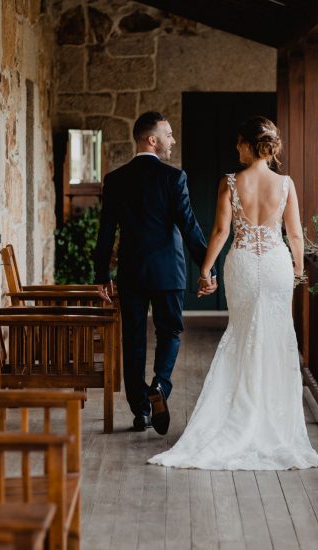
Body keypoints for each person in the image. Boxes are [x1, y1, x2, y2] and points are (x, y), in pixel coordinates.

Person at [148, 116, 318, 470]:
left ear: (249, 145)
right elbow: (295, 235)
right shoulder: (285, 184)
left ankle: (239, 415)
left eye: (239, 142)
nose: (236, 148)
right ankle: (271, 421)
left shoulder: (230, 182)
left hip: (242, 263)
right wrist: (297, 270)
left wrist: (205, 270)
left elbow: (220, 232)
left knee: (242, 334)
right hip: (275, 265)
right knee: (275, 337)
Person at [93, 111, 217, 435]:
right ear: (152, 139)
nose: (172, 140)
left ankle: (141, 412)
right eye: (168, 134)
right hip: (168, 272)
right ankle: (160, 385)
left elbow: (106, 232)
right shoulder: (174, 178)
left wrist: (101, 275)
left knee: (133, 340)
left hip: (131, 273)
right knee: (170, 332)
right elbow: (190, 227)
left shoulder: (116, 180)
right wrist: (207, 268)